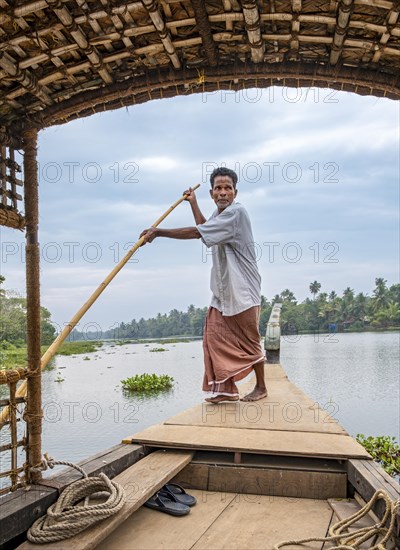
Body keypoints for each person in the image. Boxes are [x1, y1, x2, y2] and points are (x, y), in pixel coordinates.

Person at [140, 167, 267, 403]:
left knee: (250, 339)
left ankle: (261, 387)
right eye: (218, 188)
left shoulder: (236, 213)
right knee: (213, 336)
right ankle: (224, 390)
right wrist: (193, 203)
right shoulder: (219, 216)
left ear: (235, 192)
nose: (222, 193)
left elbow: (198, 233)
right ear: (211, 193)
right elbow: (205, 228)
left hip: (243, 289)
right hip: (222, 289)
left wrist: (159, 232)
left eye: (227, 188)